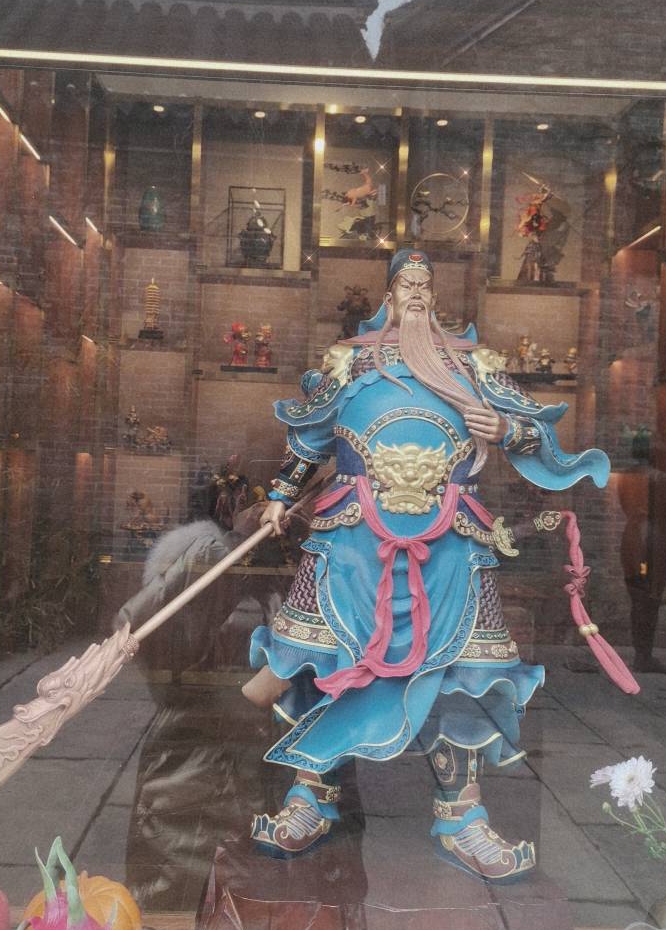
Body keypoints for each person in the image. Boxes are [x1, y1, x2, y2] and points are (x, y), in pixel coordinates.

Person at [244, 249, 610, 882]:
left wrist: (502, 428)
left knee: (465, 673)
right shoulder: (350, 360)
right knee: (321, 660)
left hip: (451, 543)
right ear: (389, 295)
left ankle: (461, 814)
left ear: (434, 296)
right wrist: (280, 494)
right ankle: (310, 797)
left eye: (424, 285)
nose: (415, 294)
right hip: (350, 541)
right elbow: (311, 435)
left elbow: (533, 431)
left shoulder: (473, 364)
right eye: (405, 284)